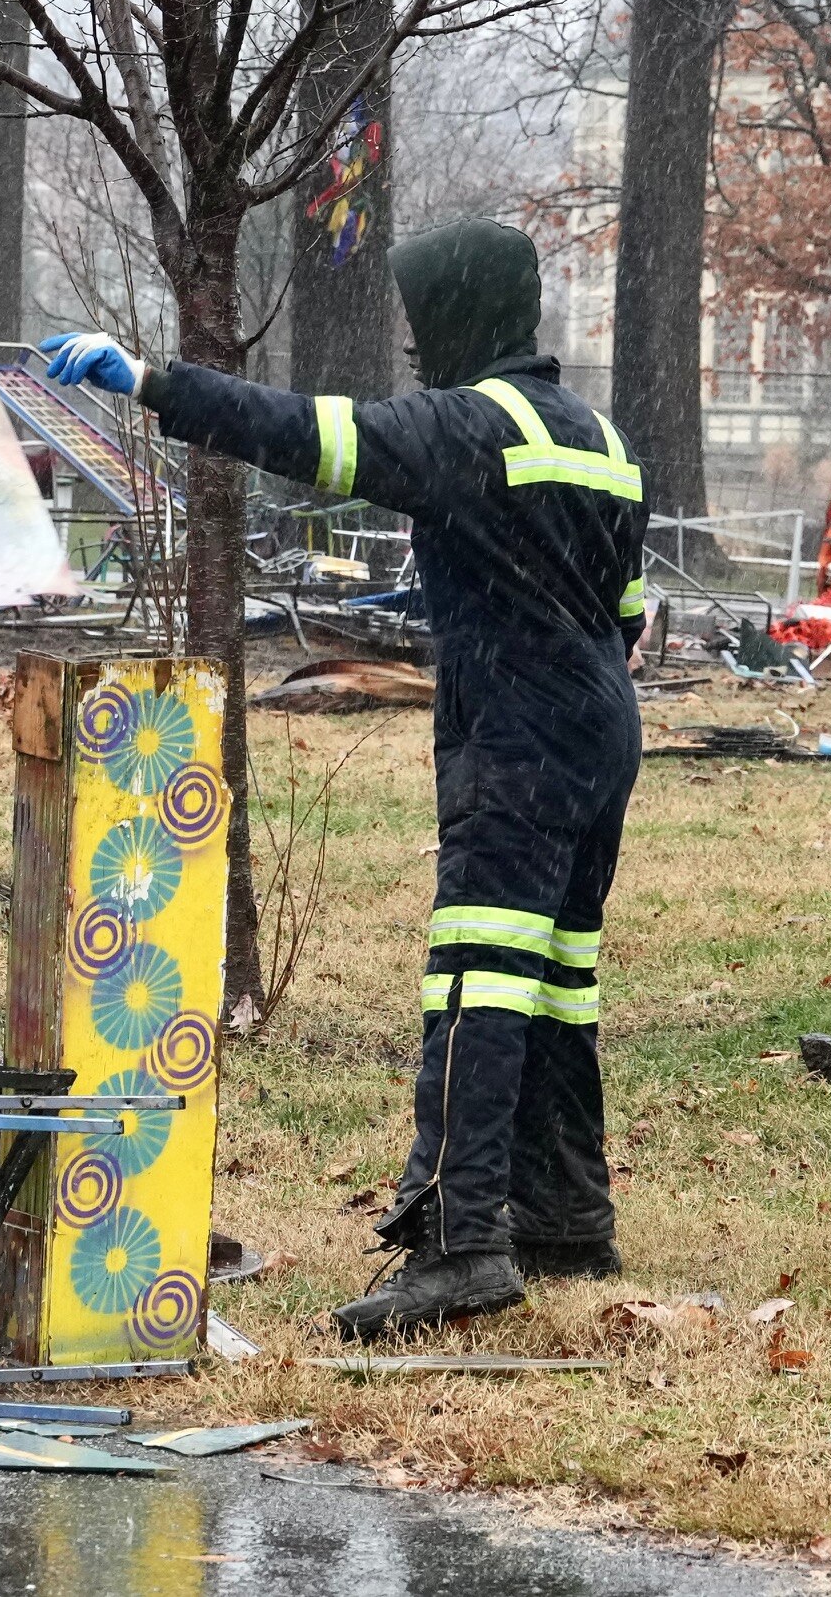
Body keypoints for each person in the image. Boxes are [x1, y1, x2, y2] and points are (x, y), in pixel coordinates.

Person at [40, 218, 645, 1339]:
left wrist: (152, 381)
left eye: (423, 322)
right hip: (600, 729)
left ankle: (459, 1242)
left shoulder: (470, 425)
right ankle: (566, 1215)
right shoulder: (599, 437)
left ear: (460, 316)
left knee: (476, 981)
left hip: (516, 733)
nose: (415, 348)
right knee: (558, 977)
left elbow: (310, 433)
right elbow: (628, 613)